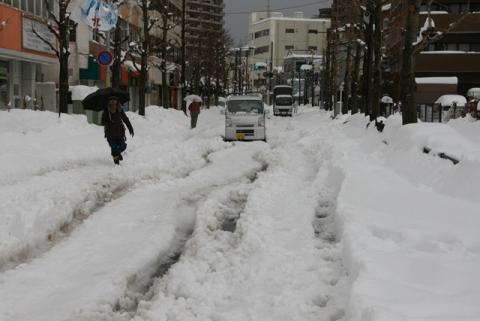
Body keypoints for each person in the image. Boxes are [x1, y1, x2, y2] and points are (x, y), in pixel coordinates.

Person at [101, 97, 134, 164]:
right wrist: (108, 121)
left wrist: (130, 128)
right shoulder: (106, 110)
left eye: (115, 100)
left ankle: (117, 153)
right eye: (112, 101)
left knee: (123, 146)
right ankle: (116, 162)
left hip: (120, 133)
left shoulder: (120, 109)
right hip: (110, 133)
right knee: (114, 147)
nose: (113, 102)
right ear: (109, 102)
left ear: (117, 101)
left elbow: (125, 119)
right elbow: (102, 122)